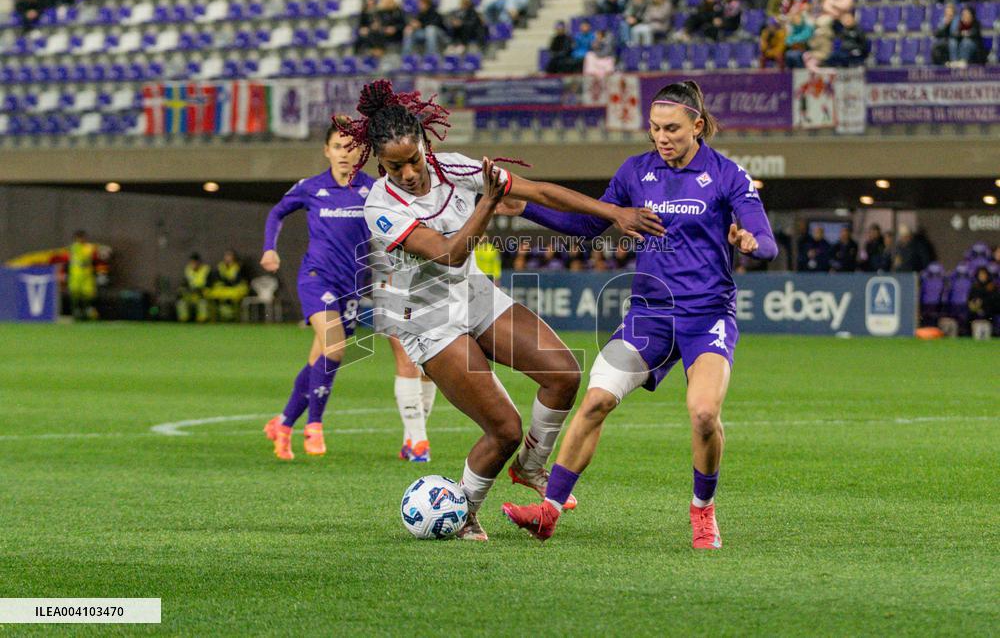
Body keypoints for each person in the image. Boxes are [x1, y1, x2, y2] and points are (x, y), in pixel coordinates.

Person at [345, 79, 664, 540]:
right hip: (427, 318)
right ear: (381, 163)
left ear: (425, 145)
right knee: (504, 429)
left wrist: (613, 214)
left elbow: (540, 193)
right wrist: (490, 201)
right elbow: (450, 253)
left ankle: (532, 468)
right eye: (395, 167)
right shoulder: (380, 205)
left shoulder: (454, 167)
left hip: (474, 294)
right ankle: (465, 512)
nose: (409, 173)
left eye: (413, 159)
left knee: (563, 374)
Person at [500, 80, 778, 548]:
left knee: (705, 414)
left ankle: (703, 512)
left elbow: (765, 239)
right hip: (648, 316)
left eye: (672, 128)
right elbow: (589, 224)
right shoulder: (635, 172)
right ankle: (548, 512)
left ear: (698, 125)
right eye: (654, 129)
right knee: (595, 401)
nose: (662, 137)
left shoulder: (729, 174)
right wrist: (525, 207)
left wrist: (751, 243)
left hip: (705, 315)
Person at [261, 121, 439, 462]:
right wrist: (270, 248)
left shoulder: (374, 189)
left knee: (320, 360)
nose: (345, 153)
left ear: (362, 152)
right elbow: (277, 212)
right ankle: (314, 424)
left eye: (350, 146)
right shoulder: (311, 187)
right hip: (317, 278)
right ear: (327, 151)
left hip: (354, 286)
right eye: (338, 147)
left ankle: (283, 424)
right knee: (337, 348)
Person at [68, 230, 98, 320]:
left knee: (87, 294)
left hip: (87, 275)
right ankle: (77, 311)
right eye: (79, 237)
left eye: (82, 237)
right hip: (75, 276)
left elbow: (92, 257)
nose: (81, 239)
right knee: (75, 293)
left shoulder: (89, 247)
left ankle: (87, 311)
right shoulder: (74, 247)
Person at [176, 253, 211, 322]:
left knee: (203, 302)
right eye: (191, 262)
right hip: (191, 295)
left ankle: (202, 320)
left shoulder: (206, 270)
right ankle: (183, 319)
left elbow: (209, 285)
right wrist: (183, 289)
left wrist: (200, 289)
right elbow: (184, 283)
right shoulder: (188, 270)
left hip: (202, 295)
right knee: (181, 302)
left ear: (199, 262)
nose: (193, 264)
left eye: (195, 262)